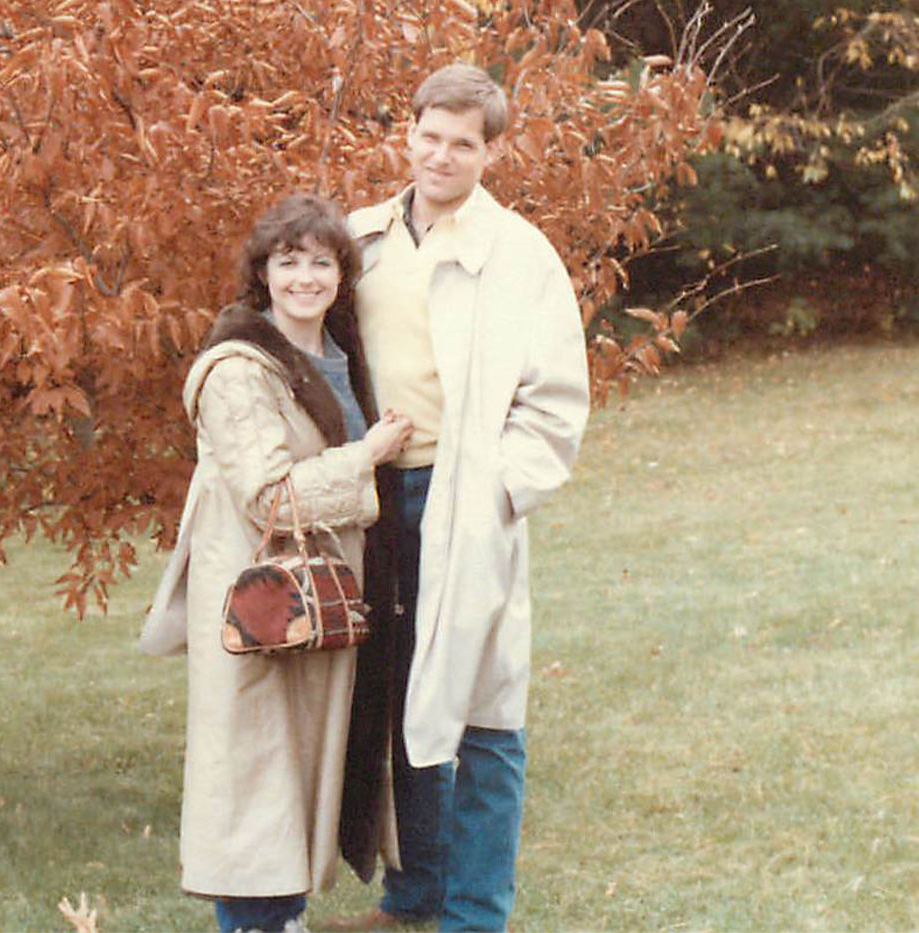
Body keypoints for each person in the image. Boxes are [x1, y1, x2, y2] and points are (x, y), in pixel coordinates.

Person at [331, 64, 592, 932]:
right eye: (429, 137)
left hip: (463, 497)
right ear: (407, 135)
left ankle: (474, 914)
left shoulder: (519, 255)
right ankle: (412, 896)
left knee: (484, 707)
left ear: (493, 151)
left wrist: (497, 491)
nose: (441, 156)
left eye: (463, 144)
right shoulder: (360, 239)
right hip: (376, 498)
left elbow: (555, 401)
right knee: (398, 696)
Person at [141, 193, 413, 933]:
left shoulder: (339, 354)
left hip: (326, 601)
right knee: (258, 776)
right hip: (264, 607)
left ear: (341, 273)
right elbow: (269, 497)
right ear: (262, 273)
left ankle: (281, 918)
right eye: (288, 261)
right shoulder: (237, 368)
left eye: (321, 262)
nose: (305, 277)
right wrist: (369, 456)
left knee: (295, 777)